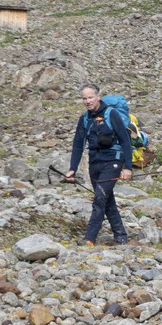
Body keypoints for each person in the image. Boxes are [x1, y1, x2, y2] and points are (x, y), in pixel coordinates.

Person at [66, 84, 133, 246]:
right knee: (107, 199)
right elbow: (77, 145)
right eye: (84, 98)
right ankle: (121, 236)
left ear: (98, 97)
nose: (87, 101)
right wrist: (72, 169)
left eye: (90, 97)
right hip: (94, 163)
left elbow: (125, 141)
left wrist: (128, 167)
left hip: (113, 161)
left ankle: (90, 238)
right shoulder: (84, 119)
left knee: (99, 198)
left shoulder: (112, 114)